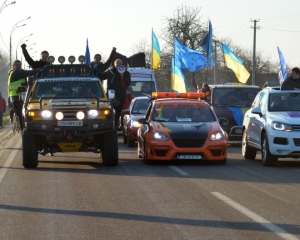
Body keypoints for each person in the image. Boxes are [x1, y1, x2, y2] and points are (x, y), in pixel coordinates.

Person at [8, 60, 41, 130]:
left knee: (22, 113)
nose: (18, 66)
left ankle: (23, 127)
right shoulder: (15, 73)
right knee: (20, 114)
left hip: (19, 97)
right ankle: (23, 130)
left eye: (19, 64)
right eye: (16, 64)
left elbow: (23, 83)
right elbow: (28, 73)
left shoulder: (18, 73)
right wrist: (39, 70)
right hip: (16, 97)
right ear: (13, 66)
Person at [99, 59, 131, 127]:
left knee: (118, 112)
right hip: (111, 96)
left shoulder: (126, 73)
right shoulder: (110, 72)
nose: (119, 64)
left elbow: (128, 83)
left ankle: (115, 125)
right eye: (117, 63)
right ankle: (109, 124)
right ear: (114, 64)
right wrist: (98, 69)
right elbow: (101, 76)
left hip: (121, 97)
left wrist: (122, 76)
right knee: (110, 112)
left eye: (120, 63)